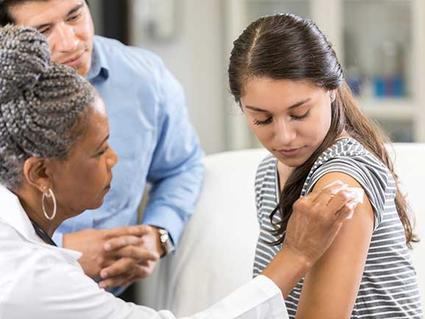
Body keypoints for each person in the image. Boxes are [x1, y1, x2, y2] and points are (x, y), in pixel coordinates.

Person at [0, 25, 364, 319]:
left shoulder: (341, 176)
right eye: (99, 150)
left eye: (298, 114)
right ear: (41, 174)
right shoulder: (29, 277)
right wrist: (295, 255)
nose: (116, 160)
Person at [0, 0, 204, 293]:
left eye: (75, 15)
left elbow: (183, 166)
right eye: (43, 29)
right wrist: (57, 250)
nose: (70, 42)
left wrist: (158, 234)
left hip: (116, 298)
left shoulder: (145, 77)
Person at [228, 13, 423, 319]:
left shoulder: (342, 182)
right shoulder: (269, 172)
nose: (283, 137)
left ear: (332, 89)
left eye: (299, 113)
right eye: (262, 119)